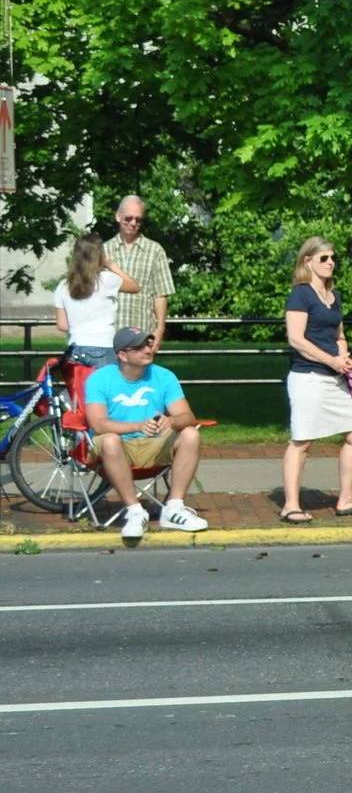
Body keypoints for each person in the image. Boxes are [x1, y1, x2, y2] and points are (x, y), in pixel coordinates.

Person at [280, 236, 352, 521]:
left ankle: (346, 498)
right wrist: (331, 360)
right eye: (324, 258)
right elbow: (296, 339)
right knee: (302, 441)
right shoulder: (301, 294)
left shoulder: (334, 296)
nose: (331, 262)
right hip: (308, 376)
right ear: (307, 261)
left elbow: (339, 335)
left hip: (334, 377)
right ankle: (290, 506)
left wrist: (343, 357)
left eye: (333, 258)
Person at [85, 326, 209, 537]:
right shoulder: (99, 379)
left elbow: (188, 417)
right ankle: (135, 512)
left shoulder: (164, 376)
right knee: (109, 440)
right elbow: (99, 424)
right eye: (139, 347)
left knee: (191, 434)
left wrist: (171, 421)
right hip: (116, 449)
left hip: (154, 445)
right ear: (122, 355)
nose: (147, 349)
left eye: (149, 344)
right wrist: (138, 426)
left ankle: (174, 508)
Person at [52, 234, 136, 367]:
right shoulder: (106, 280)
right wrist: (111, 265)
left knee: (78, 388)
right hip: (102, 345)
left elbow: (62, 325)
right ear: (100, 255)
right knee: (104, 387)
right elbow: (134, 286)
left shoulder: (63, 285)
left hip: (74, 348)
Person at [105, 195, 175, 343]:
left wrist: (160, 329)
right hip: (109, 333)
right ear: (118, 216)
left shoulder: (155, 250)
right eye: (128, 218)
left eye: (138, 220)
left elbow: (161, 294)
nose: (133, 223)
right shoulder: (103, 250)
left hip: (143, 333)